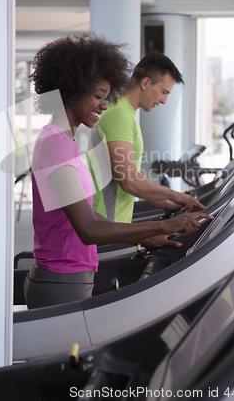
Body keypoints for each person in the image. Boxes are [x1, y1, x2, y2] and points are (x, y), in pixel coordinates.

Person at [24, 35, 212, 309]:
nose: (104, 104)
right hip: (61, 279)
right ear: (71, 89)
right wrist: (166, 225)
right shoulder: (55, 144)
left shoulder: (65, 141)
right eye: (98, 96)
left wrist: (145, 236)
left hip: (72, 275)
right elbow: (88, 228)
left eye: (106, 97)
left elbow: (82, 211)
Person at [89, 51, 206, 247]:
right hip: (106, 228)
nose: (163, 100)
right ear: (145, 83)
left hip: (115, 226)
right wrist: (175, 195)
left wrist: (165, 203)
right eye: (164, 92)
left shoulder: (125, 113)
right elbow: (129, 181)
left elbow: (123, 180)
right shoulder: (119, 115)